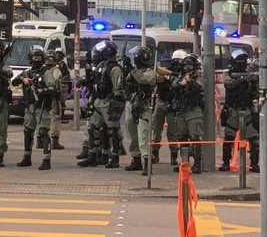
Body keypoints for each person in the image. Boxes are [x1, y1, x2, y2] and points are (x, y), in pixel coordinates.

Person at [12, 47, 61, 171]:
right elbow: (14, 82)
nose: (36, 60)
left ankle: (46, 159)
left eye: (39, 58)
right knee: (28, 132)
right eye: (34, 58)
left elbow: (54, 89)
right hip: (29, 106)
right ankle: (27, 157)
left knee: (44, 132)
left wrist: (40, 91)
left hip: (42, 106)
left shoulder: (46, 73)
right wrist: (22, 79)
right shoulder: (27, 73)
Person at [78, 40, 124, 169]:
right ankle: (93, 156)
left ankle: (114, 157)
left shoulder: (114, 68)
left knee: (112, 131)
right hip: (98, 100)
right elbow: (92, 79)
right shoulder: (99, 66)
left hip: (108, 102)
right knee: (93, 129)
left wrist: (115, 104)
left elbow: (118, 88)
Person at [219, 49, 259, 173]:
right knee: (229, 138)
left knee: (253, 139)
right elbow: (229, 84)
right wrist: (241, 80)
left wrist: (252, 80)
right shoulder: (228, 74)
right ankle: (226, 162)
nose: (240, 64)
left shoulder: (250, 74)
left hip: (247, 109)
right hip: (233, 110)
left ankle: (254, 163)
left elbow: (256, 91)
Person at [123, 46, 157, 175]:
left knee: (143, 135)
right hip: (131, 104)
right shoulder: (133, 72)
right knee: (132, 134)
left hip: (143, 106)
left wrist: (131, 70)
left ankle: (147, 162)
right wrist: (126, 70)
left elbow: (144, 80)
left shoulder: (150, 72)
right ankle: (136, 159)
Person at [170, 54, 205, 174]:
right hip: (181, 112)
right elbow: (174, 87)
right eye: (186, 65)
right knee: (182, 137)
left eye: (190, 66)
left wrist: (190, 82)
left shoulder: (197, 78)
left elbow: (200, 88)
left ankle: (197, 164)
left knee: (195, 138)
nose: (188, 68)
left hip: (193, 111)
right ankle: (185, 163)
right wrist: (182, 82)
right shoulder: (180, 77)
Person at [152, 50, 186, 166]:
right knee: (156, 130)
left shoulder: (184, 74)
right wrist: (171, 75)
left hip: (173, 104)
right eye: (176, 60)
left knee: (172, 132)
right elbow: (158, 75)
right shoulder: (168, 70)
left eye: (179, 61)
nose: (177, 62)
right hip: (161, 102)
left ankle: (173, 155)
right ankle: (154, 153)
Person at [49, 47, 70, 150]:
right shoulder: (56, 69)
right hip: (52, 97)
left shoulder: (43, 68)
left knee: (43, 118)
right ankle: (54, 140)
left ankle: (41, 139)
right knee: (55, 118)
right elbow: (58, 81)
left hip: (44, 98)